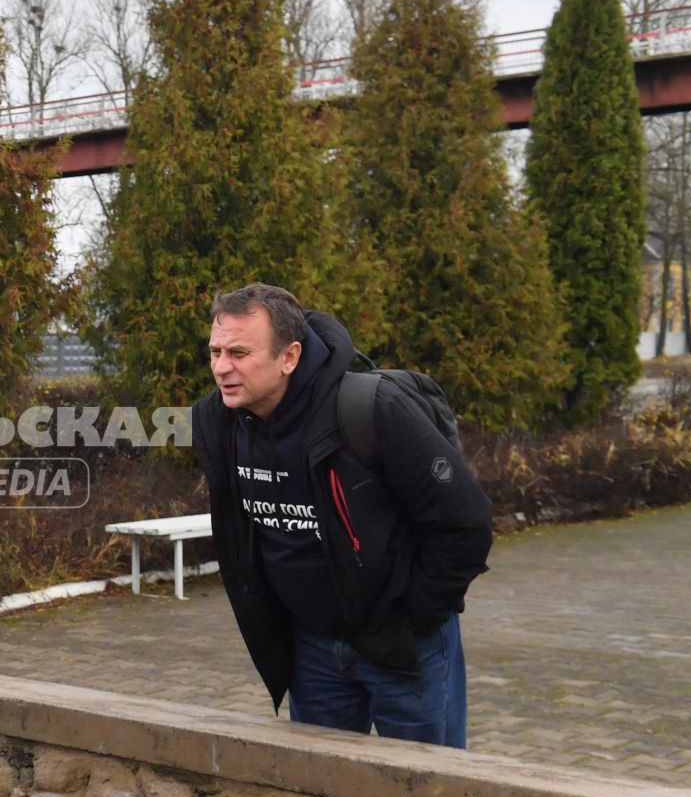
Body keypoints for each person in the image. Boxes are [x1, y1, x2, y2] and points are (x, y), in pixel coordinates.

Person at [189, 283, 492, 747]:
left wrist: (413, 618)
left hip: (405, 647)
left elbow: (464, 521)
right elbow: (240, 532)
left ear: (289, 357)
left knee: (427, 796)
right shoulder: (217, 421)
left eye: (240, 352)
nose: (221, 367)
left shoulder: (371, 409)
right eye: (215, 351)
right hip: (312, 651)